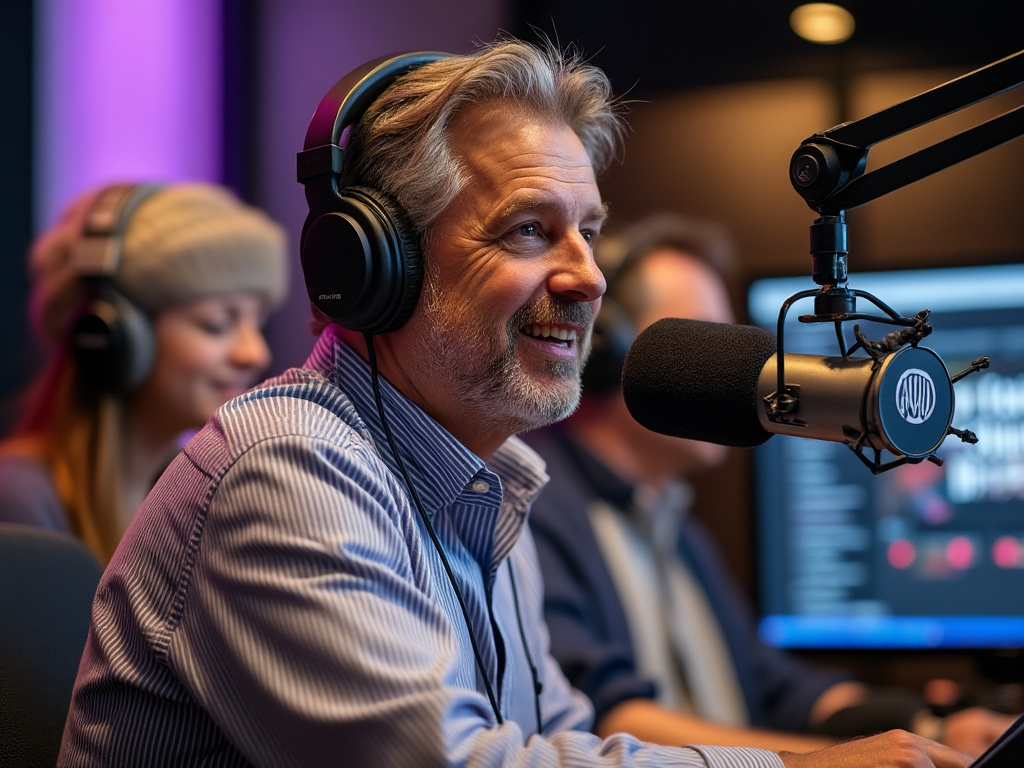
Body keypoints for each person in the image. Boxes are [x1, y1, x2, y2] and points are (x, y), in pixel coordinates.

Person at [59, 39, 980, 768]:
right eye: (531, 230)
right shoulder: (289, 469)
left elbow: (555, 737)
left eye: (590, 233)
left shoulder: (494, 483)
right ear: (377, 266)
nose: (586, 279)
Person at [523, 213, 1018, 757]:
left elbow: (778, 688)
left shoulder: (676, 525)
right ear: (608, 349)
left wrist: (928, 725)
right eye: (701, 342)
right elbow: (608, 720)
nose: (733, 374)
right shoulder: (537, 505)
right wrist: (820, 762)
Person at [0, 182, 288, 564]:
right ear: (111, 335)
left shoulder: (203, 495)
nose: (255, 353)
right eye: (217, 324)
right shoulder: (18, 500)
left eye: (258, 323)